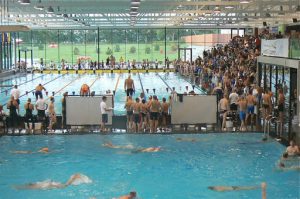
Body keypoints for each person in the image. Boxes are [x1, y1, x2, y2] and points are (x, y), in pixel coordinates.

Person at [14, 173, 92, 190]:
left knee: (26, 186)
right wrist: (74, 177)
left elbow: (67, 184)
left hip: (46, 184)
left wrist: (74, 177)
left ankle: (20, 187)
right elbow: (67, 184)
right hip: (47, 185)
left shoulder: (57, 185)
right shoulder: (60, 186)